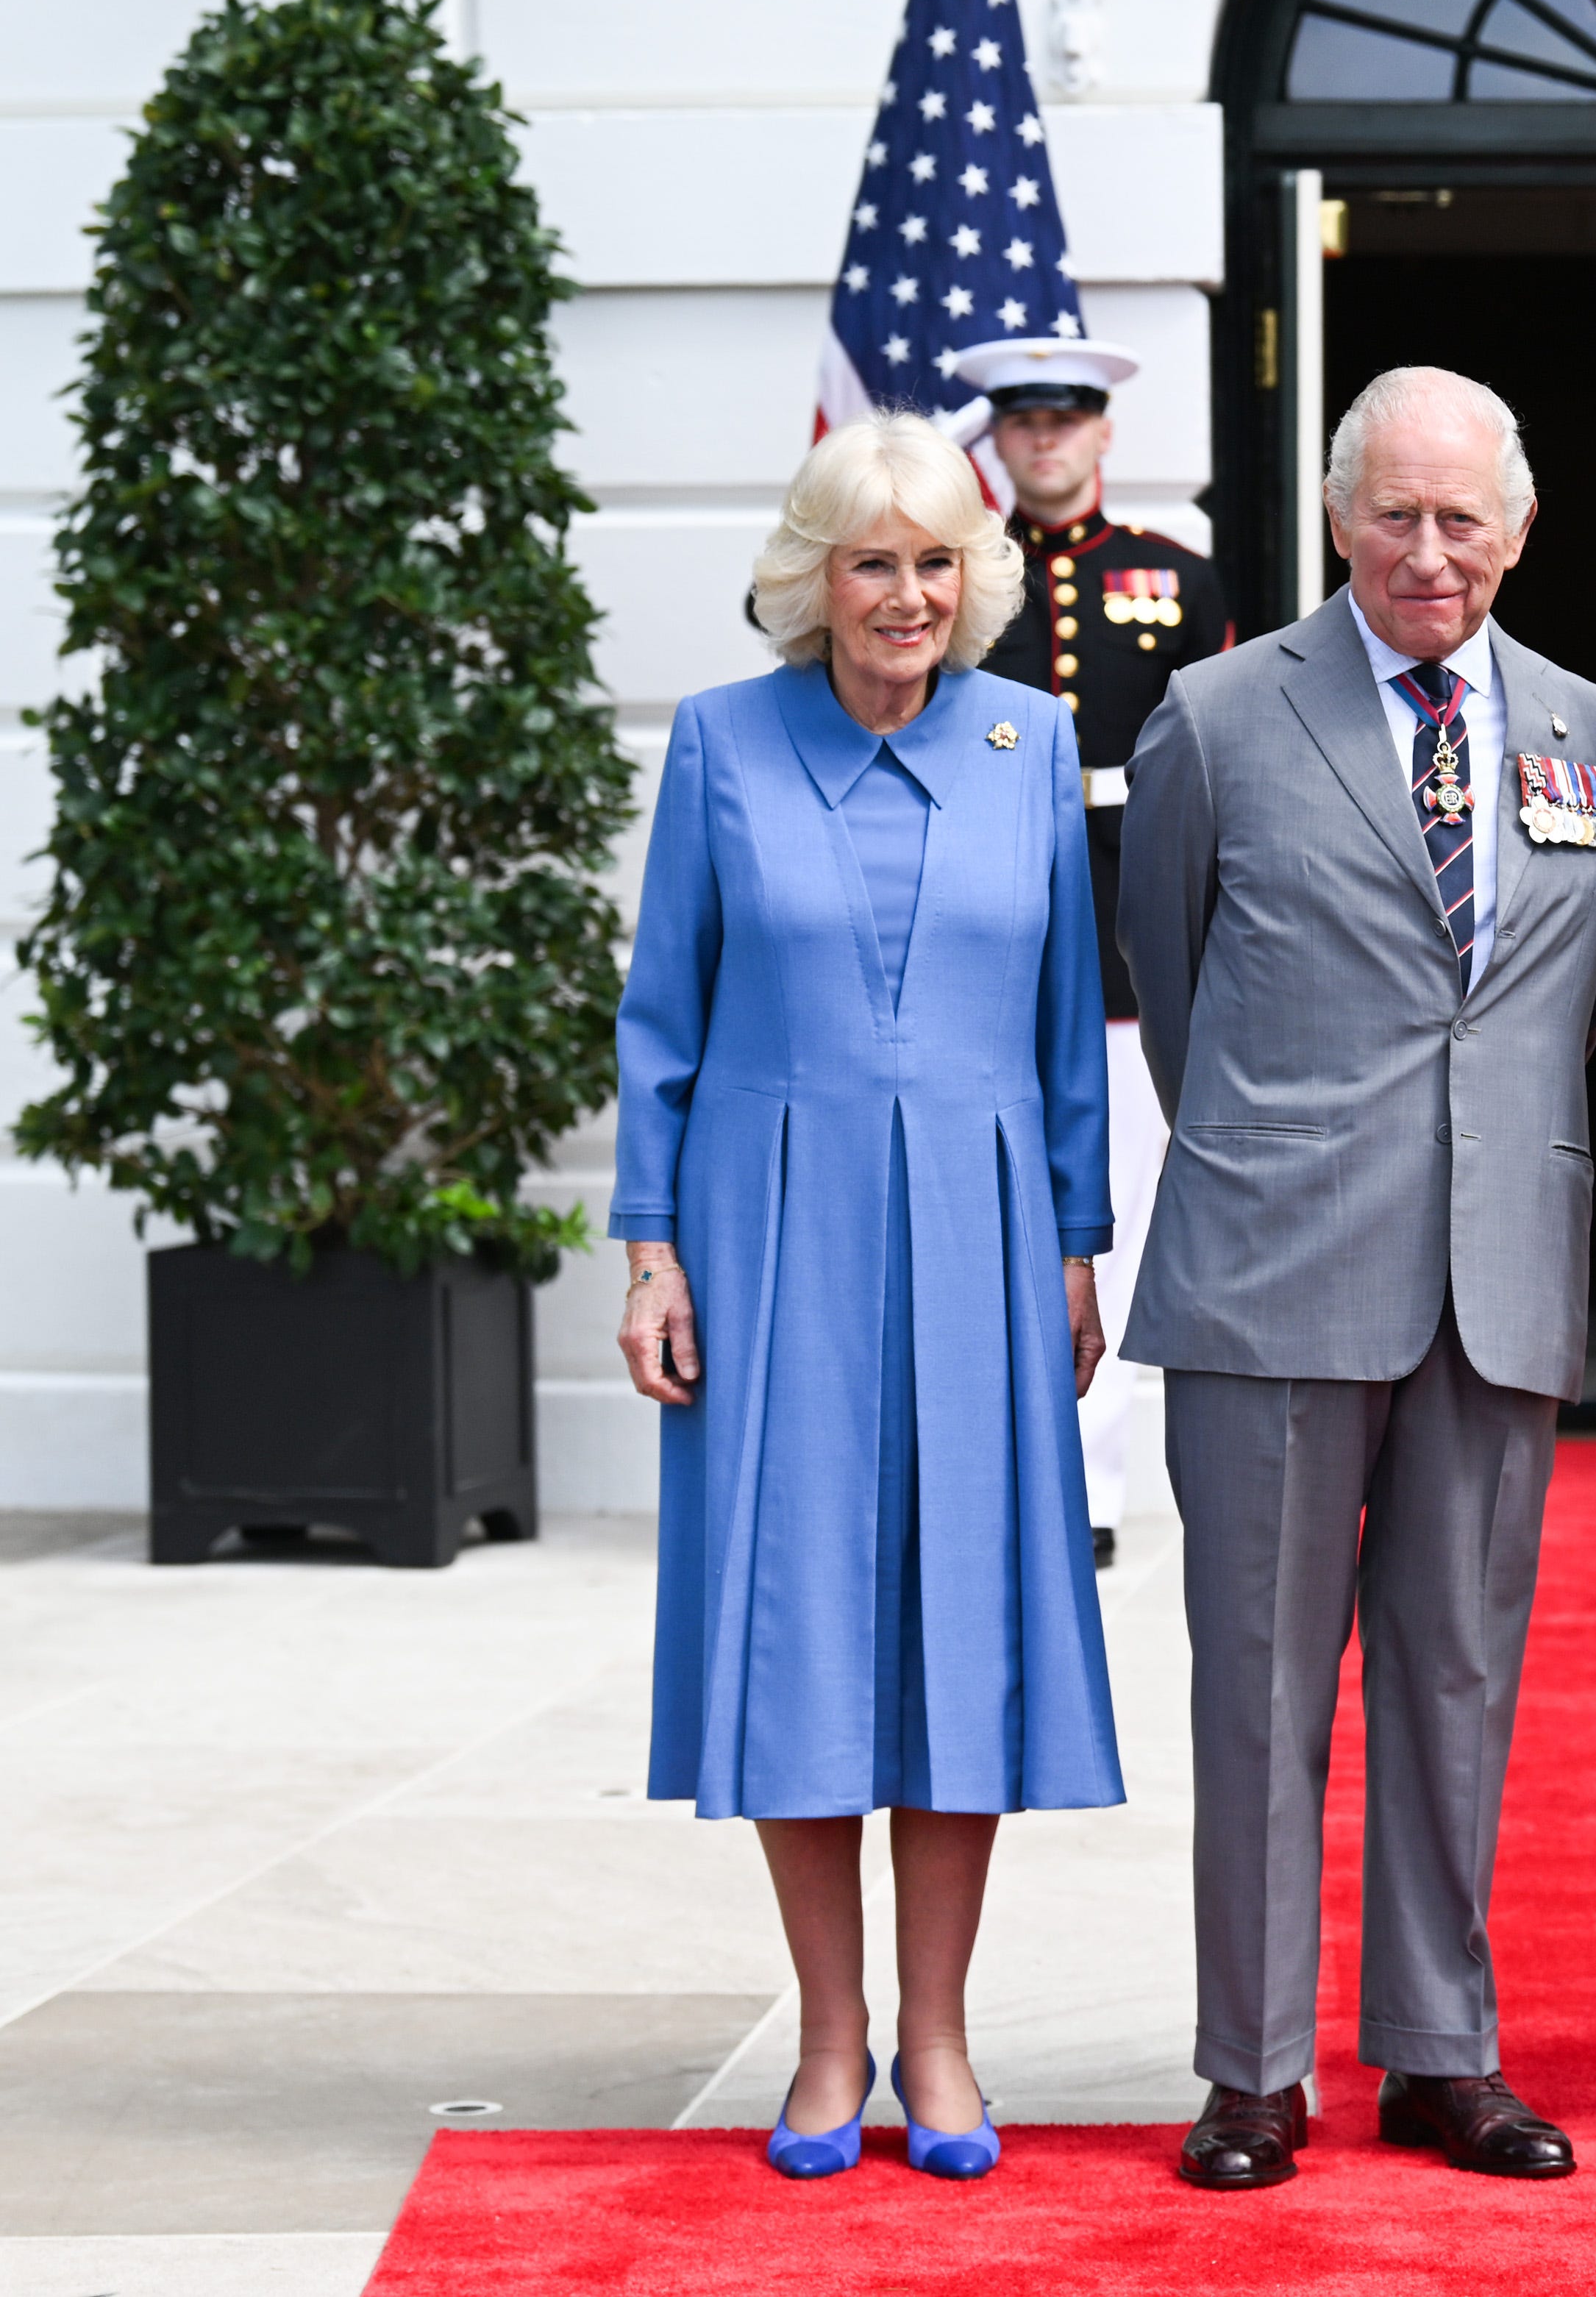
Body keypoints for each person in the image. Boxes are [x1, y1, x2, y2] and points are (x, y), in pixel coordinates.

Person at [1119, 366, 1596, 2193]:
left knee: (1453, 1674)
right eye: (1394, 514)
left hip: (1497, 1266)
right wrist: (1287, 1153)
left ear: (1518, 524)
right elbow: (1174, 1003)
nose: (1430, 552)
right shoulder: (1212, 714)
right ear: (1336, 517)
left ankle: (1440, 2050)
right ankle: (1252, 2067)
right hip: (1276, 1258)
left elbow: (1566, 1004)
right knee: (1258, 1684)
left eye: (1463, 517)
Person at [609, 410, 1118, 2187]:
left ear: (971, 577)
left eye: (935, 559)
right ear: (810, 579)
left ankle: (941, 2038)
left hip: (982, 1233)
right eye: (870, 559)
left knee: (960, 1622)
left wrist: (1074, 1234)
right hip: (769, 1234)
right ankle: (829, 2040)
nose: (907, 592)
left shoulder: (1028, 735)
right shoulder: (720, 747)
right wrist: (650, 1244)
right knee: (811, 1617)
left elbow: (1068, 1024)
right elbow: (660, 1017)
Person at [961, 338, 1234, 1569]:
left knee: (1106, 1213)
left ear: (1104, 432)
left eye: (1066, 418)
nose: (1045, 441)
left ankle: (1088, 1488)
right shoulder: (961, 577)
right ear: (998, 440)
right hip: (983, 912)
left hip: (1127, 923)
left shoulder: (1175, 580)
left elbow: (1222, 768)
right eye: (1021, 423)